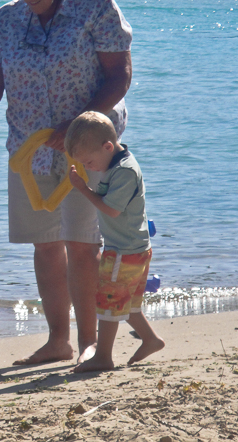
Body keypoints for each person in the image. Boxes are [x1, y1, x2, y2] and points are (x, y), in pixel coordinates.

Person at [0, 0, 132, 365]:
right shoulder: (4, 22)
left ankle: (90, 343)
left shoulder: (95, 6)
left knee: (83, 244)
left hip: (89, 148)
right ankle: (58, 341)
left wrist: (74, 125)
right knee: (46, 246)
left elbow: (118, 78)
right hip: (29, 150)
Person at [64, 111, 165, 372]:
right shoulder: (116, 165)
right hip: (132, 247)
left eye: (89, 162)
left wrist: (82, 188)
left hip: (125, 250)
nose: (88, 168)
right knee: (127, 303)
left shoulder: (125, 171)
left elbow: (111, 210)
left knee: (108, 303)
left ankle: (104, 357)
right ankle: (151, 339)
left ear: (108, 146)